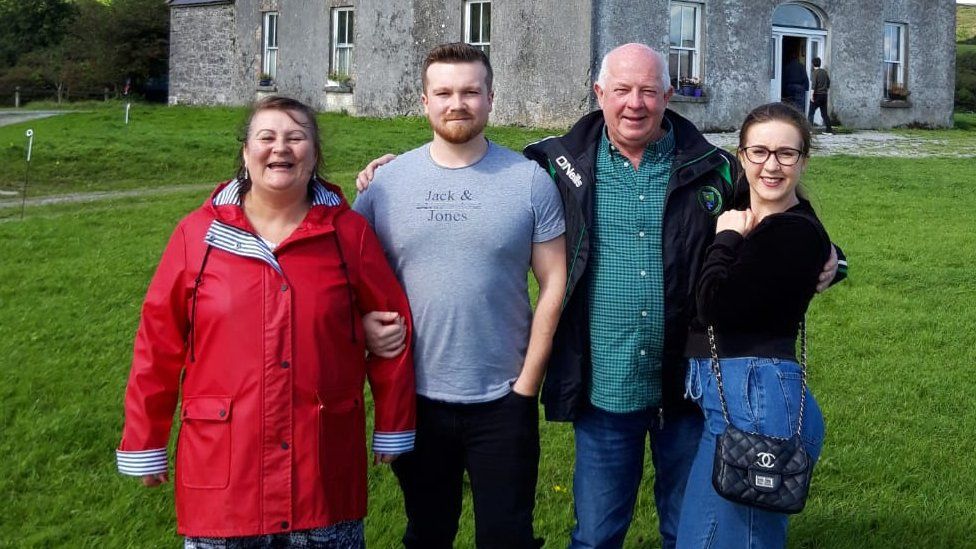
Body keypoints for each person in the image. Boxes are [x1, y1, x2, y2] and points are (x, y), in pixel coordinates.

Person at [358, 43, 843, 549]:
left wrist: (832, 257)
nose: (635, 103)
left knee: (687, 529)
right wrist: (393, 174)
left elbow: (778, 209)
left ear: (668, 96)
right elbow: (474, 166)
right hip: (603, 387)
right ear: (599, 94)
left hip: (690, 386)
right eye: (621, 90)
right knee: (595, 535)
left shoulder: (714, 168)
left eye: (649, 91)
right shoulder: (554, 163)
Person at [115, 96, 416, 548]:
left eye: (297, 137)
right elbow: (157, 345)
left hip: (321, 476)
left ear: (314, 155)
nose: (282, 148)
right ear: (245, 152)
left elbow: (394, 327)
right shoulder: (196, 236)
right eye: (267, 137)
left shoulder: (348, 234)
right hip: (225, 480)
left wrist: (392, 424)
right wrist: (144, 440)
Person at [352, 43, 567, 548]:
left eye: (471, 91)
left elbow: (554, 281)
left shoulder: (529, 181)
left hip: (503, 397)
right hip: (415, 395)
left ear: (491, 98)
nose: (458, 103)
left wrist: (527, 385)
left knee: (507, 536)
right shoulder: (386, 185)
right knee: (427, 533)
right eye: (444, 92)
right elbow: (343, 274)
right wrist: (360, 324)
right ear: (424, 101)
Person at [677, 102, 829, 548]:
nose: (771, 165)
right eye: (759, 152)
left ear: (803, 159)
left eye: (786, 153)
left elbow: (714, 306)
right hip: (732, 401)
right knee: (698, 541)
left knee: (746, 541)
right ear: (741, 156)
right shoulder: (745, 212)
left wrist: (726, 238)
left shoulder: (793, 232)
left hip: (760, 399)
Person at [807, 57, 833, 134]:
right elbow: (828, 82)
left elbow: (814, 85)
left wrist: (811, 95)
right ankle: (829, 131)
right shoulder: (824, 72)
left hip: (817, 95)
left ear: (812, 64)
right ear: (820, 63)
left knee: (811, 113)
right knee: (824, 114)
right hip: (824, 95)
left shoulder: (815, 73)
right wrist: (825, 90)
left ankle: (809, 130)